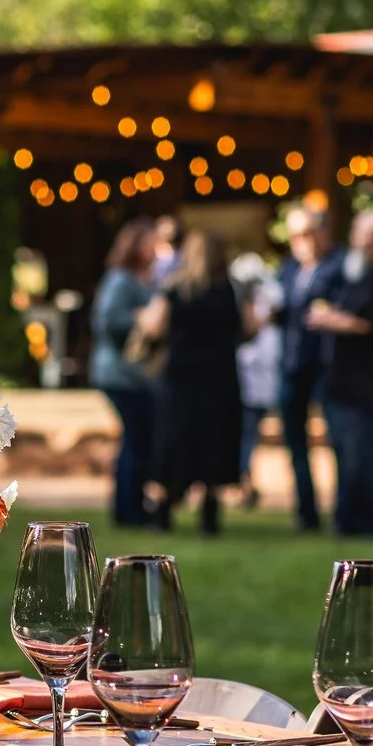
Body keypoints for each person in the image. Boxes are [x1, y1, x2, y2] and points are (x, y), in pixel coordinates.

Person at [139, 228, 253, 535]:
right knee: (214, 441)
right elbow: (250, 326)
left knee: (175, 442)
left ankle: (162, 510)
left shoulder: (175, 288)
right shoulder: (232, 289)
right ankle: (210, 512)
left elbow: (153, 327)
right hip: (219, 376)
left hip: (181, 377)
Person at [309, 209, 373, 538]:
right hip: (353, 386)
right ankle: (350, 521)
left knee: (360, 459)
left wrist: (327, 320)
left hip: (366, 387)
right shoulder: (366, 277)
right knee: (352, 457)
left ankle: (368, 525)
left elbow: (365, 322)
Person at [274, 205, 345, 531]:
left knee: (337, 440)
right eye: (293, 235)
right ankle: (306, 512)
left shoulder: (339, 267)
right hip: (292, 366)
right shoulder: (288, 270)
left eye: (304, 233)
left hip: (326, 367)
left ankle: (343, 512)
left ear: (321, 232)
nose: (298, 241)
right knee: (295, 443)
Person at [88, 219, 161, 527]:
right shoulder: (120, 280)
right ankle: (129, 510)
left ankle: (132, 506)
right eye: (150, 241)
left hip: (137, 375)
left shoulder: (145, 280)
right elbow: (106, 322)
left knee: (138, 439)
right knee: (135, 439)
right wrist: (140, 319)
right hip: (119, 374)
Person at [232, 249, 282, 509]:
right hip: (249, 387)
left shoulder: (264, 309)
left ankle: (245, 482)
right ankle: (244, 483)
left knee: (247, 438)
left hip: (258, 388)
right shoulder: (248, 309)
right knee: (245, 438)